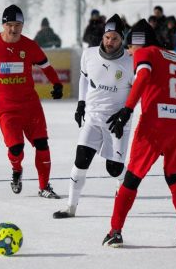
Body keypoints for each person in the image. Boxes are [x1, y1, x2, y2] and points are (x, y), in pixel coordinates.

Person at [102, 19, 176, 248]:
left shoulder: (144, 52)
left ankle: (115, 231)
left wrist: (127, 110)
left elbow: (143, 77)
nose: (128, 50)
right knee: (174, 177)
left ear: (139, 42)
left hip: (156, 123)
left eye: (129, 45)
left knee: (132, 178)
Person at [0, 4, 63, 199]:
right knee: (16, 148)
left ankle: (44, 186)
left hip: (30, 106)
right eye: (9, 24)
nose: (13, 29)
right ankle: (16, 169)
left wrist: (57, 84)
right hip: (6, 109)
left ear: (22, 25)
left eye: (17, 25)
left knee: (42, 145)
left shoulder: (29, 46)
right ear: (3, 25)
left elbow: (46, 66)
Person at [52, 14, 133, 219]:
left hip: (118, 121)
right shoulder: (89, 54)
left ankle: (121, 186)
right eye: (107, 37)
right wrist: (81, 104)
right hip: (93, 116)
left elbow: (138, 90)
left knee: (114, 168)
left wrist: (126, 112)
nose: (110, 42)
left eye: (115, 38)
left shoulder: (131, 60)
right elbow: (84, 79)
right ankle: (70, 207)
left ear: (121, 39)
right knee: (81, 159)